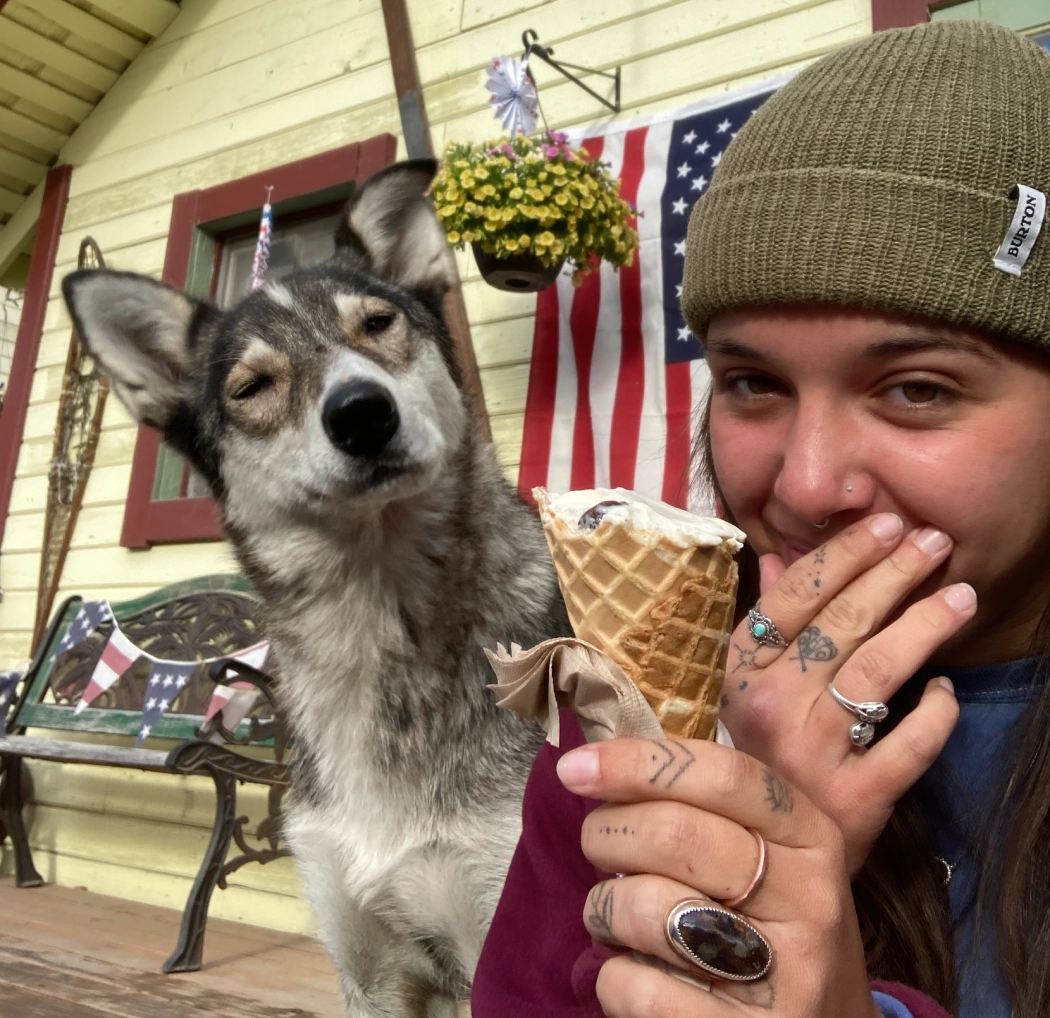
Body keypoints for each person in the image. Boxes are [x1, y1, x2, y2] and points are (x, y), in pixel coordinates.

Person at [469, 19, 1050, 1018]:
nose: (810, 484)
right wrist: (719, 829)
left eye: (914, 388)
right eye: (751, 381)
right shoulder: (634, 709)